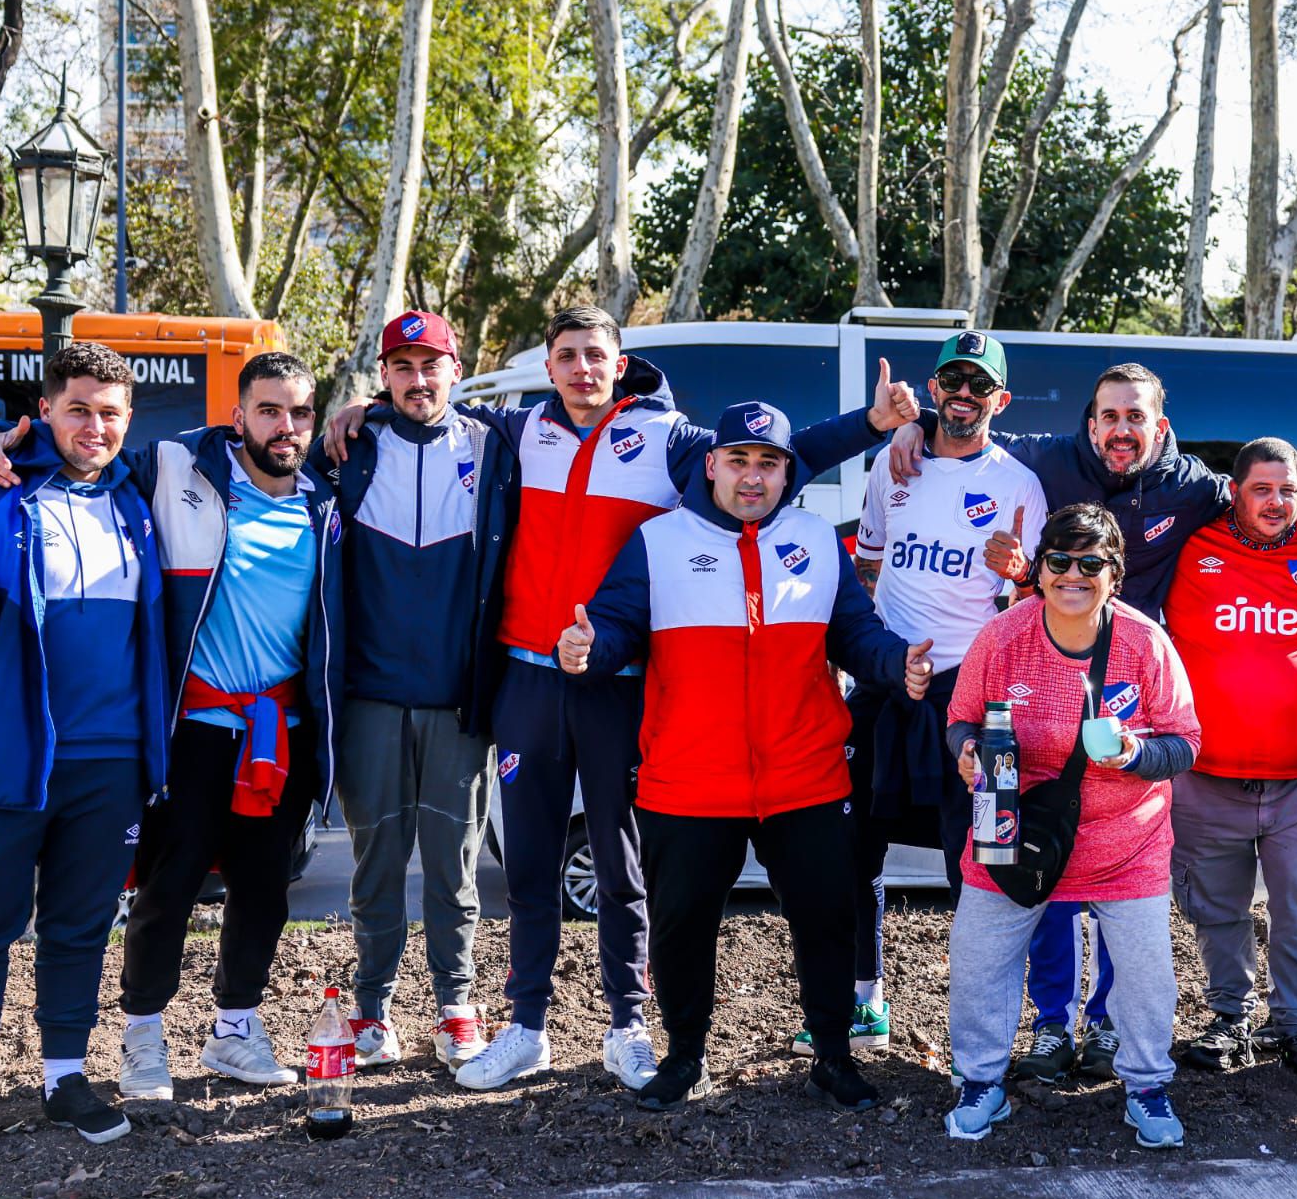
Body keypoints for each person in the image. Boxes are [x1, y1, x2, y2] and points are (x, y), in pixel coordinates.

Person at [322, 306, 917, 1093]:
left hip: (620, 681)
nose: (580, 369)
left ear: (618, 359)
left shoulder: (669, 438)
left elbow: (773, 460)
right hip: (528, 674)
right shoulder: (511, 432)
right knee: (530, 860)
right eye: (566, 356)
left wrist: (871, 426)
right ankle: (527, 1025)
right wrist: (358, 412)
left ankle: (628, 1025)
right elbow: (427, 412)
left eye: (594, 355)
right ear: (548, 361)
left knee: (619, 860)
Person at [887, 360, 1297, 1080]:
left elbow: (1270, 494)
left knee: (1126, 888)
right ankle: (1051, 1024)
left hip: (1132, 694)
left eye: (1135, 417)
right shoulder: (1047, 458)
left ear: (1160, 426)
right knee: (1044, 879)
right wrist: (919, 429)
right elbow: (972, 436)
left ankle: (1110, 1026)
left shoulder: (1194, 487)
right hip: (1044, 680)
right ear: (1089, 425)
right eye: (1109, 417)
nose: (1121, 430)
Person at [0, 352, 344, 1096]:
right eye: (267, 409)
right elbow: (82, 448)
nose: (284, 425)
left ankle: (235, 1029)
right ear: (237, 415)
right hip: (194, 729)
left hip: (282, 731)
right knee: (169, 887)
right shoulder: (178, 467)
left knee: (265, 891)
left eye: (299, 412)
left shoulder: (331, 499)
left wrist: (364, 420)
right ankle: (143, 1034)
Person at [557, 402, 932, 1113]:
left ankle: (831, 1057)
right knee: (681, 925)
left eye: (769, 463)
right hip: (689, 779)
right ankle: (684, 1057)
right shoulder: (658, 540)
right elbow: (613, 628)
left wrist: (895, 666)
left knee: (827, 920)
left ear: (787, 473)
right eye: (739, 460)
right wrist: (586, 650)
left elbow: (857, 633)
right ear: (710, 465)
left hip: (806, 774)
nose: (753, 477)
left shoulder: (818, 539)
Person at [806, 335, 1054, 1058]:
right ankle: (863, 1001)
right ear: (935, 388)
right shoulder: (896, 460)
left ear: (1000, 400)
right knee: (849, 847)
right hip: (888, 681)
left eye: (980, 383)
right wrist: (872, 657)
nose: (964, 393)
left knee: (975, 860)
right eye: (953, 378)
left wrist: (1021, 573)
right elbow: (872, 566)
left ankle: (981, 1027)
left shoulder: (1019, 485)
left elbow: (1036, 601)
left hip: (972, 697)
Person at [0, 344, 168, 1159]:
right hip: (7, 757)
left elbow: (246, 437)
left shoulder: (138, 498)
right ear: (44, 410)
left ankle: (63, 1077)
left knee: (80, 927)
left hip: (111, 761)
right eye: (79, 408)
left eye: (111, 412)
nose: (96, 426)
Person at [942, 503, 1202, 1150]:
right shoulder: (1003, 637)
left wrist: (1136, 755)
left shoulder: (1145, 643)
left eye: (1091, 563)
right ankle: (980, 1084)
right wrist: (968, 749)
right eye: (1059, 560)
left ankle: (1145, 1086)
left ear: (1115, 573)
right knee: (978, 958)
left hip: (1127, 840)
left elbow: (1186, 742)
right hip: (1014, 830)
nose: (1072, 575)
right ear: (1040, 569)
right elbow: (960, 717)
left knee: (1147, 975)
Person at [310, 311, 511, 1072]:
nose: (417, 380)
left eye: (432, 366)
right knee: (376, 863)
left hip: (457, 702)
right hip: (368, 697)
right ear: (384, 375)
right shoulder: (349, 451)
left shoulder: (495, 445)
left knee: (454, 868)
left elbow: (607, 408)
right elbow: (240, 447)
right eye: (402, 366)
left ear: (457, 371)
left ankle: (456, 1004)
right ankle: (370, 1007)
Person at [1163, 437, 1297, 1079]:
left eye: (1290, 490)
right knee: (1215, 910)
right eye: (1262, 488)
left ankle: (1295, 1027)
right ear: (1235, 491)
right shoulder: (1193, 546)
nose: (1277, 502)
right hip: (1206, 775)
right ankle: (1230, 1017)